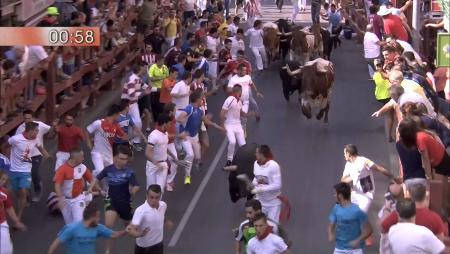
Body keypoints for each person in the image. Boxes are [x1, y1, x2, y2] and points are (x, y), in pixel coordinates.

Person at [88, 145, 139, 254]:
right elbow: (97, 178)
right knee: (108, 227)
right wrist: (90, 188)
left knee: (132, 230)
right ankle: (108, 251)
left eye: (126, 159)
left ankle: (141, 245)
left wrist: (133, 191)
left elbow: (136, 185)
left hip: (125, 203)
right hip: (111, 201)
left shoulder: (129, 172)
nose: (124, 161)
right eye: (122, 158)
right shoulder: (108, 169)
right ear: (115, 158)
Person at [176, 90, 223, 184]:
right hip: (186, 137)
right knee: (191, 155)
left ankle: (189, 163)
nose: (203, 99)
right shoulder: (189, 109)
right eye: (201, 97)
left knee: (198, 156)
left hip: (195, 137)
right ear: (197, 99)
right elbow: (179, 118)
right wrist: (183, 129)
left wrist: (217, 126)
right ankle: (187, 176)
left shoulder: (200, 110)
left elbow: (205, 121)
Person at [341, 144, 401, 213]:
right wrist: (353, 177)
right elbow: (343, 180)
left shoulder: (364, 162)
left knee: (359, 216)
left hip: (366, 195)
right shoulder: (348, 164)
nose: (344, 155)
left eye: (345, 153)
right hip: (355, 194)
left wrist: (394, 177)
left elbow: (379, 168)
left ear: (349, 154)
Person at [47, 203, 126, 254]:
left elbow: (114, 234)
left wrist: (126, 231)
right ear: (92, 217)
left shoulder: (98, 228)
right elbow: (55, 244)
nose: (99, 219)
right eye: (97, 216)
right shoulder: (72, 228)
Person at [9, 122, 50, 219]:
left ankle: (19, 216)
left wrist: (47, 156)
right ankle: (22, 199)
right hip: (14, 169)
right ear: (30, 131)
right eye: (36, 131)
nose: (37, 133)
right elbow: (6, 145)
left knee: (23, 191)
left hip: (26, 170)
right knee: (17, 191)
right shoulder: (16, 139)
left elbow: (41, 148)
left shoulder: (35, 140)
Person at [15, 109, 55, 202]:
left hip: (36, 155)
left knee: (34, 173)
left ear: (32, 118)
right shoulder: (20, 129)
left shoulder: (39, 125)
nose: (27, 120)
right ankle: (27, 197)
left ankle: (38, 189)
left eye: (29, 118)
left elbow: (50, 130)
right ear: (23, 118)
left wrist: (54, 126)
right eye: (25, 118)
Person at [328, 182, 373, 254]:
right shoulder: (336, 208)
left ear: (340, 196)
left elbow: (369, 230)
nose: (334, 195)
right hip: (339, 249)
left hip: (355, 250)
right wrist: (331, 233)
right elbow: (331, 224)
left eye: (335, 194)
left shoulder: (357, 211)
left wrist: (357, 240)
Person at [54, 148, 94, 225]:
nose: (83, 158)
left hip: (79, 199)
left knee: (78, 222)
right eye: (82, 156)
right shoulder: (62, 169)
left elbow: (92, 180)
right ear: (76, 158)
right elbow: (57, 184)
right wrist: (60, 199)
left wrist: (91, 187)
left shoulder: (82, 167)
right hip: (65, 201)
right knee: (69, 225)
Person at [86, 104, 128, 177]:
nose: (119, 117)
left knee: (110, 175)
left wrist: (133, 133)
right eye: (119, 115)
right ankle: (91, 178)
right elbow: (87, 131)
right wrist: (88, 143)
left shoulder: (116, 126)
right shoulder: (99, 123)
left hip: (108, 155)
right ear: (115, 114)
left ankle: (106, 188)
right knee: (100, 171)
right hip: (97, 153)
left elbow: (124, 137)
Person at [127, 184, 168, 254]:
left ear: (160, 196)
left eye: (157, 198)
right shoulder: (141, 211)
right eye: (151, 197)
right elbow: (131, 231)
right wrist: (140, 234)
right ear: (146, 196)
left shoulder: (163, 205)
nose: (154, 200)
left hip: (158, 245)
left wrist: (165, 221)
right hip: (144, 248)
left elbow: (159, 216)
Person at [145, 114, 178, 191]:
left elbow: (164, 148)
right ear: (164, 124)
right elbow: (147, 152)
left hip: (163, 165)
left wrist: (173, 157)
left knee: (160, 191)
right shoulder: (153, 135)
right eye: (169, 124)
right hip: (152, 166)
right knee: (151, 190)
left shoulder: (165, 134)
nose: (170, 126)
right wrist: (156, 163)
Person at [251, 145, 282, 224]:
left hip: (273, 203)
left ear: (261, 154)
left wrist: (261, 189)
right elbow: (256, 178)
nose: (255, 154)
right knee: (257, 226)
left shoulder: (274, 166)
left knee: (272, 228)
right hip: (260, 202)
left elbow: (278, 185)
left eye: (256, 152)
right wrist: (253, 184)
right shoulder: (255, 164)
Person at [121, 65, 150, 149]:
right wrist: (144, 93)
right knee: (127, 124)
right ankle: (127, 142)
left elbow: (147, 88)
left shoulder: (138, 79)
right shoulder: (132, 80)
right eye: (145, 67)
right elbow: (131, 94)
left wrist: (158, 89)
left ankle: (134, 142)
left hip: (134, 104)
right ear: (140, 68)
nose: (146, 70)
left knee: (137, 123)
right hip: (126, 105)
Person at [0, 171, 27, 254]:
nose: (3, 181)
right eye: (2, 179)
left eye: (5, 180)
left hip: (1, 224)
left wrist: (16, 221)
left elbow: (9, 207)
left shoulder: (4, 193)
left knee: (6, 250)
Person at [221, 85, 247, 166]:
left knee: (243, 144)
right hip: (229, 125)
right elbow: (222, 113)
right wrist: (222, 126)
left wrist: (248, 114)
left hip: (238, 125)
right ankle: (229, 160)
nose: (241, 93)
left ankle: (244, 161)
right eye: (241, 91)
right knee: (232, 141)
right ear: (238, 92)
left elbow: (241, 113)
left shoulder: (239, 101)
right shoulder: (229, 100)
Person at [148, 55, 169, 121]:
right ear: (158, 61)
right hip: (155, 90)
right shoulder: (152, 67)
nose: (163, 62)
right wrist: (160, 78)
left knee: (162, 107)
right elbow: (150, 78)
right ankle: (156, 121)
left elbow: (167, 77)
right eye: (162, 61)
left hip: (163, 90)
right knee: (155, 106)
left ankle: (162, 120)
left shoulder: (165, 67)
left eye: (163, 61)